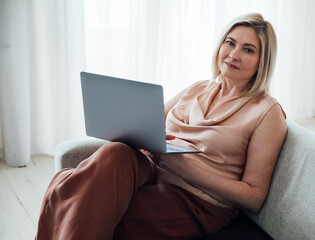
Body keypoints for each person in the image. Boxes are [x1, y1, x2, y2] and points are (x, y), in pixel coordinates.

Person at [35, 13, 287, 240]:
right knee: (114, 154)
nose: (233, 54)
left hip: (196, 200)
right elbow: (147, 121)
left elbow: (254, 197)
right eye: (230, 43)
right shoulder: (199, 88)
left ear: (262, 62)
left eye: (248, 49)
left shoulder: (267, 112)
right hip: (152, 170)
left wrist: (184, 169)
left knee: (71, 195)